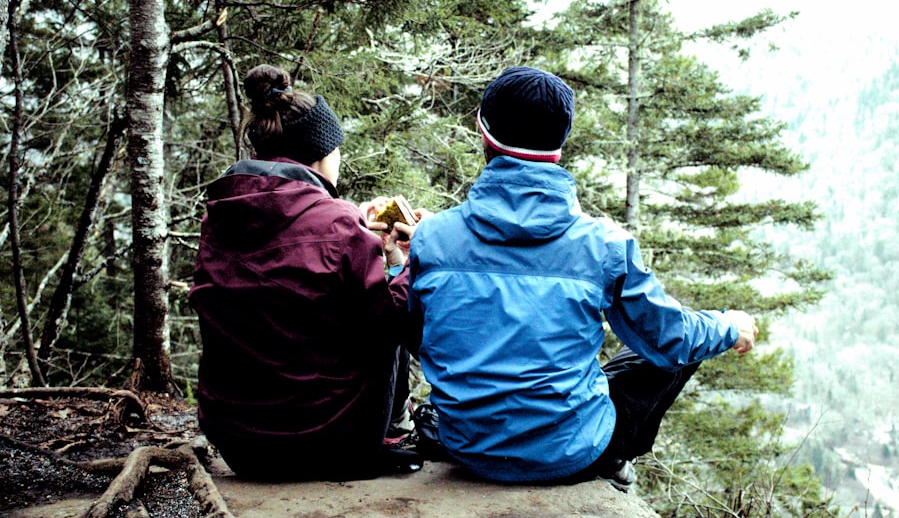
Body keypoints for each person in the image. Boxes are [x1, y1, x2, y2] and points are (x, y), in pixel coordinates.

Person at [407, 65, 758, 489]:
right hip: (569, 452)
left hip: (467, 447)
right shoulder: (604, 244)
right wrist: (727, 325)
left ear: (483, 132)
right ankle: (611, 460)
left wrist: (407, 259)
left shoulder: (432, 237)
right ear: (560, 145)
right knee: (673, 343)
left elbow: (417, 335)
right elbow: (672, 339)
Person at [187, 64, 421, 481]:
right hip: (331, 442)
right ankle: (393, 436)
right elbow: (395, 320)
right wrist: (404, 259)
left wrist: (354, 231)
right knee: (388, 317)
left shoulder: (220, 217)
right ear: (320, 152)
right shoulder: (338, 225)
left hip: (239, 446)